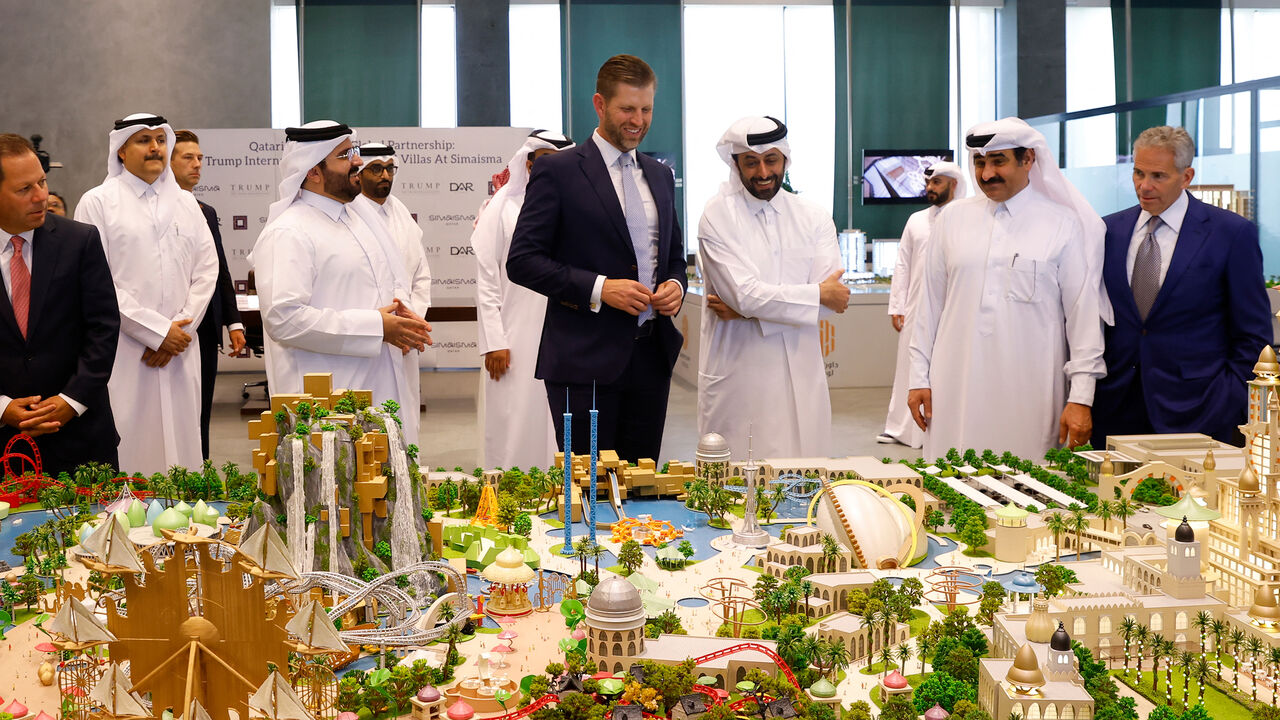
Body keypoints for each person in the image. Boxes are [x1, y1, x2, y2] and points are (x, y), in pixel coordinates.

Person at [507, 54, 686, 463]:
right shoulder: (559, 172)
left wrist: (675, 285)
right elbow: (522, 260)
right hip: (582, 363)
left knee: (642, 486)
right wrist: (601, 289)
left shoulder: (660, 175)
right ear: (599, 104)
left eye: (646, 109)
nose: (638, 120)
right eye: (627, 109)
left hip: (651, 358)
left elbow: (674, 257)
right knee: (589, 489)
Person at [907, 118, 1105, 461]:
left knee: (1028, 486)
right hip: (954, 390)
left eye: (998, 162)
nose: (986, 175)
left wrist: (1081, 397)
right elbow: (928, 309)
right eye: (979, 163)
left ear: (1028, 159)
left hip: (1030, 395)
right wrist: (917, 378)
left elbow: (1083, 318)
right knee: (952, 480)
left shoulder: (1063, 224)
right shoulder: (952, 219)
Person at [251, 121, 431, 448]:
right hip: (330, 403)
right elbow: (283, 318)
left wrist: (400, 318)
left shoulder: (360, 220)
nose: (357, 161)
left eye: (354, 151)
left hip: (382, 387)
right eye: (345, 155)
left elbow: (385, 283)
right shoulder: (289, 232)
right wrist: (376, 327)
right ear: (313, 171)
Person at [1092, 126, 1271, 445]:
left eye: (1158, 176)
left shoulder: (1230, 234)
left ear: (1186, 176)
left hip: (1199, 409)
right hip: (1116, 407)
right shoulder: (1108, 230)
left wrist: (1227, 400)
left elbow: (1253, 335)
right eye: (1138, 173)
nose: (1144, 186)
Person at [695, 116, 848, 459]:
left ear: (785, 160)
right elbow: (745, 294)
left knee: (804, 477)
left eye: (771, 160)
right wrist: (812, 295)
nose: (763, 172)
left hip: (802, 373)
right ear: (736, 164)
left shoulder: (814, 216)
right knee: (737, 481)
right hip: (740, 377)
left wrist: (747, 314)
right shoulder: (717, 216)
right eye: (751, 162)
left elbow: (831, 302)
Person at [74, 113, 218, 474]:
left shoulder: (186, 203)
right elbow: (97, 282)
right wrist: (156, 332)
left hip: (181, 349)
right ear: (121, 151)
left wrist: (179, 331)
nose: (155, 147)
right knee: (130, 443)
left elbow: (207, 269)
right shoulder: (98, 202)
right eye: (143, 140)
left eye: (160, 140)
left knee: (185, 447)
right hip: (127, 349)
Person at [0, 134, 120, 475]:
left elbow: (103, 329)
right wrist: (3, 407)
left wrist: (71, 401)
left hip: (81, 440)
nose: (42, 196)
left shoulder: (80, 241)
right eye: (25, 189)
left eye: (42, 182)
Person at [470, 130, 574, 471]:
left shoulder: (577, 206)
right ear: (528, 165)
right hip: (514, 336)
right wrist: (494, 340)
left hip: (567, 333)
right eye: (546, 163)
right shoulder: (503, 206)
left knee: (561, 422)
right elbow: (487, 279)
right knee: (513, 423)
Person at [877, 161, 966, 448]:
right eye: (928, 183)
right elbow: (902, 264)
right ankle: (900, 428)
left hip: (955, 307)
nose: (929, 188)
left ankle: (944, 430)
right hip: (916, 307)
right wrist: (897, 306)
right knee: (910, 364)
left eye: (936, 182)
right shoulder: (916, 220)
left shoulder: (968, 218)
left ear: (954, 184)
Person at [171, 129, 246, 460]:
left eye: (200, 158)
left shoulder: (206, 211)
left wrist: (233, 322)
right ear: (168, 162)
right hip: (168, 327)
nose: (197, 164)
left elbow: (220, 269)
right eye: (188, 157)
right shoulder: (154, 211)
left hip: (204, 328)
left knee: (201, 409)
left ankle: (200, 469)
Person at [350, 142, 432, 447]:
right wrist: (382, 326)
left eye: (389, 169)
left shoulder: (401, 213)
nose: (385, 176)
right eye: (376, 169)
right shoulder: (349, 214)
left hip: (405, 341)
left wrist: (411, 324)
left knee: (405, 416)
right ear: (359, 174)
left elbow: (421, 276)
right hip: (369, 337)